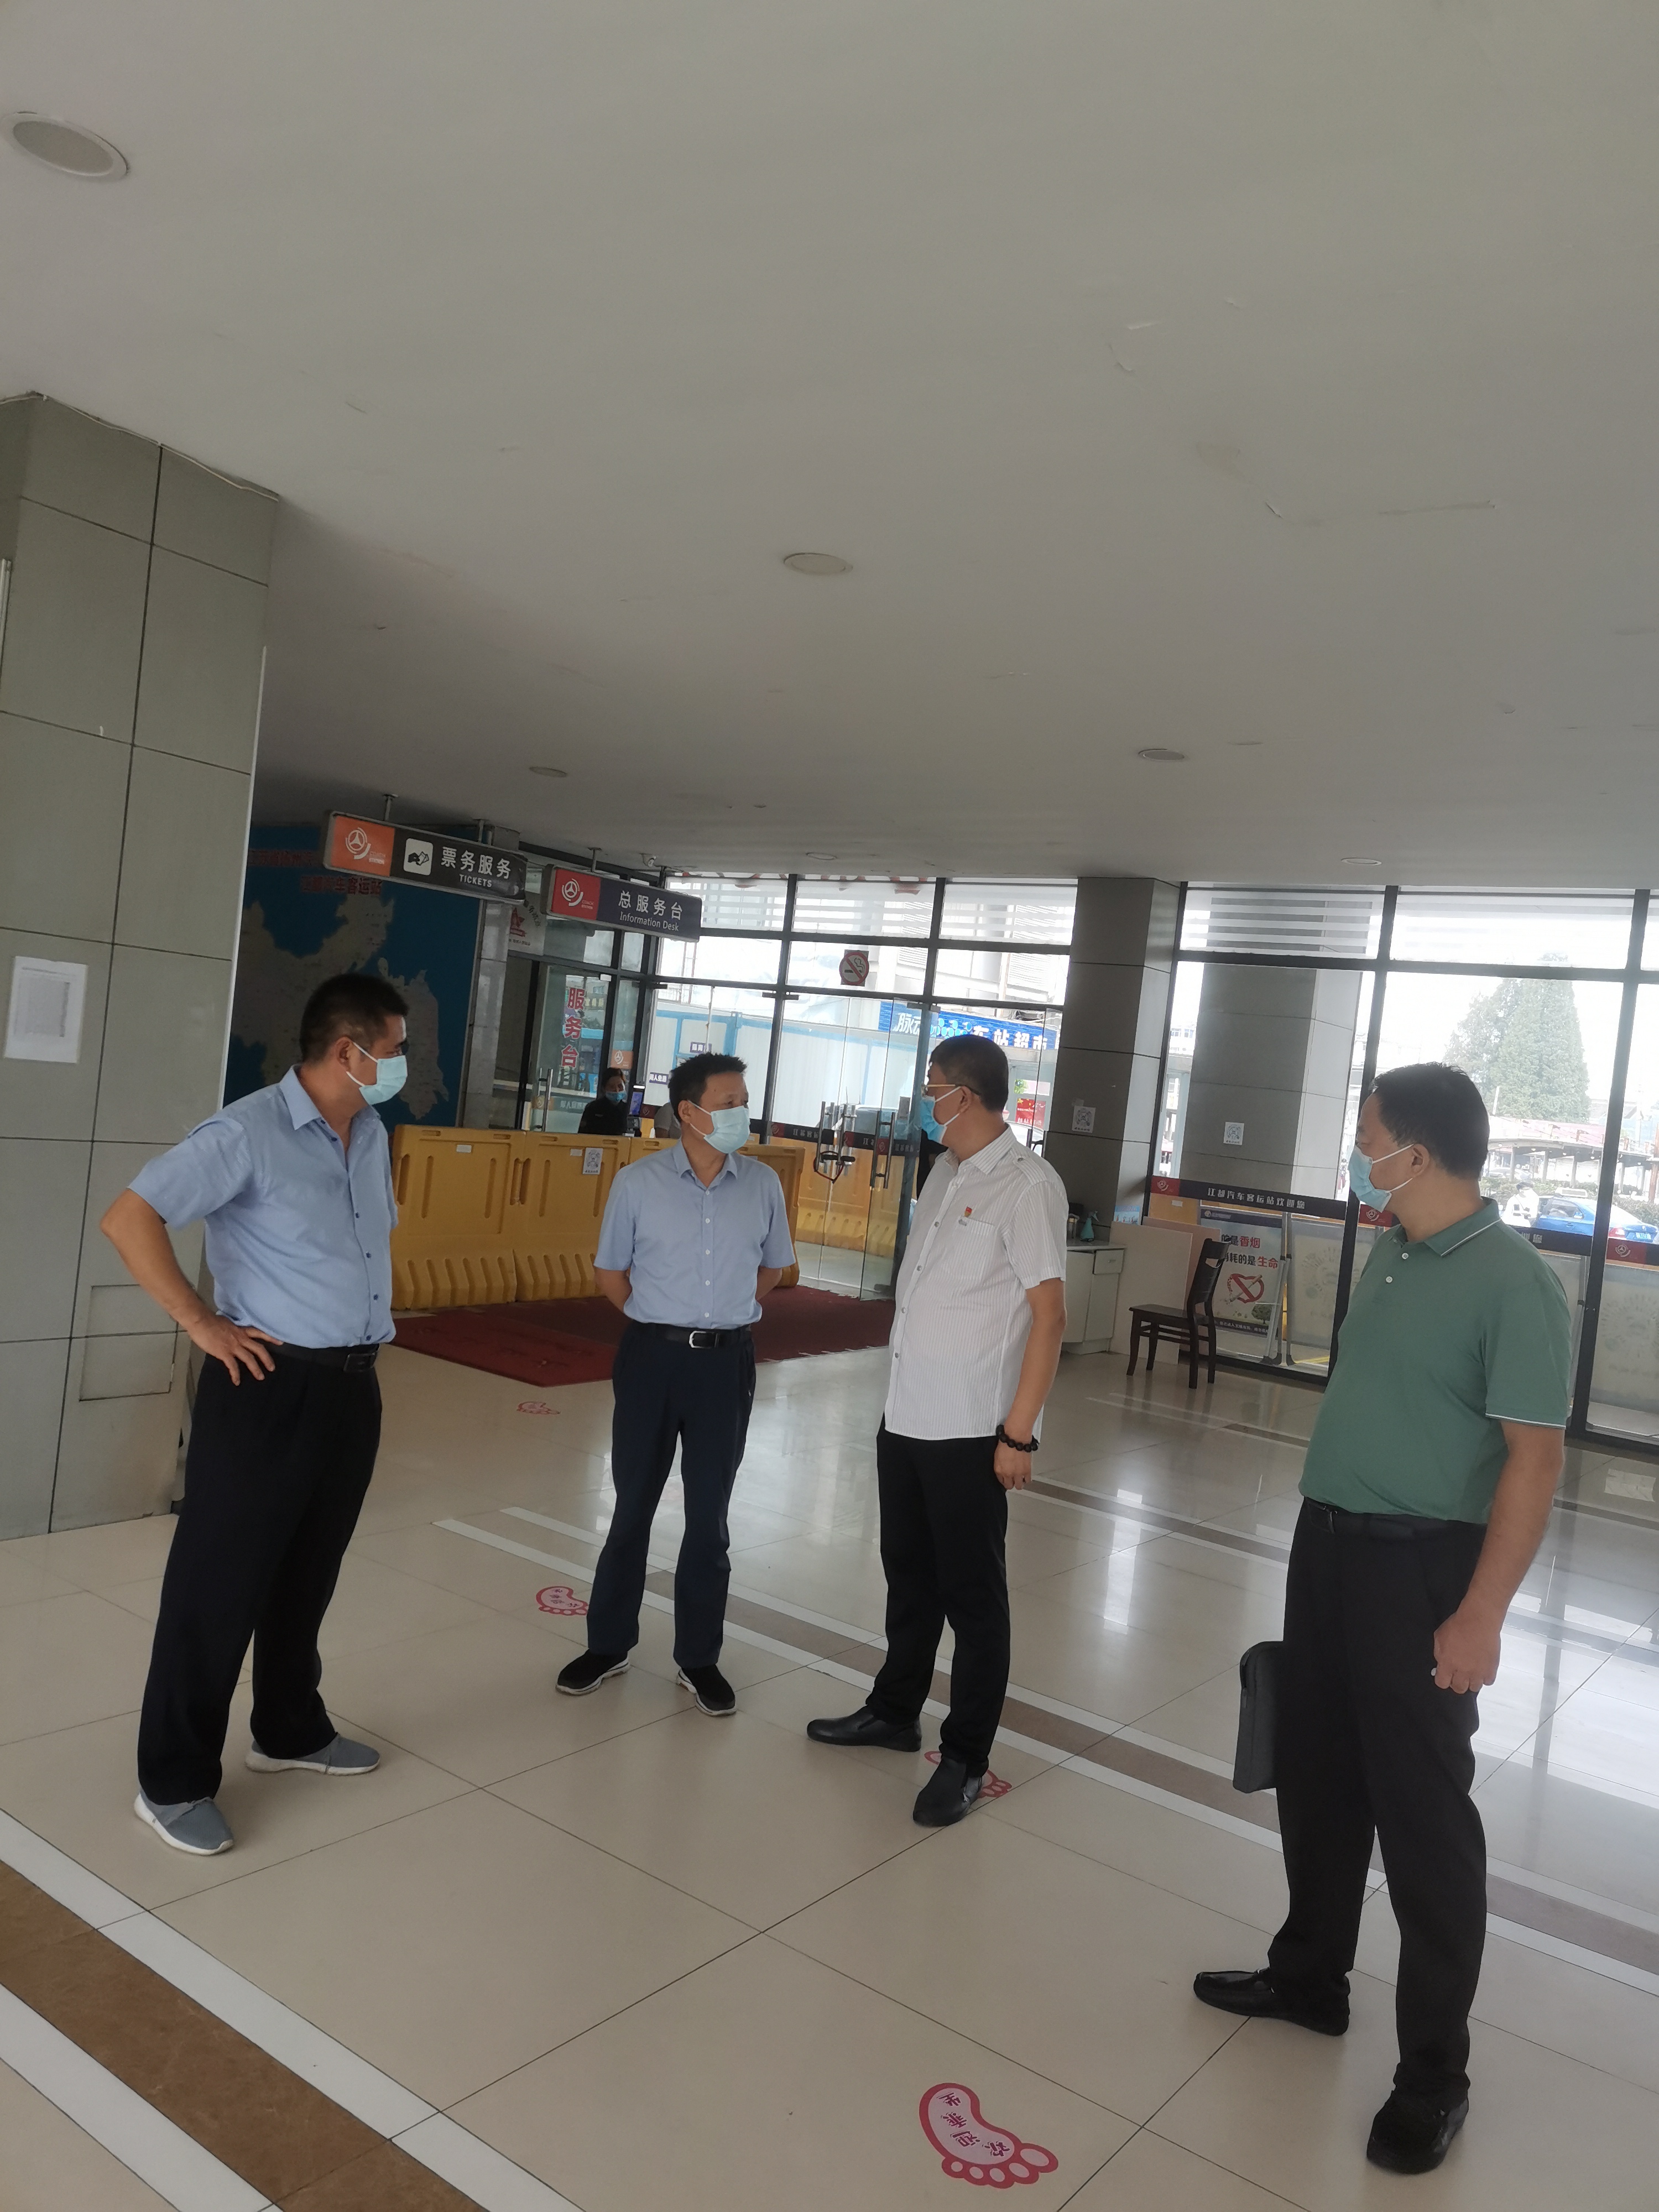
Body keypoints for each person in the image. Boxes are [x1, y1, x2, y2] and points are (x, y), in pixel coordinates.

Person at [1194, 1063, 1571, 2178]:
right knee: (1317, 1773)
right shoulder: (1394, 1249)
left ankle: (1433, 2075)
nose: (1360, 1155)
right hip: (1329, 1549)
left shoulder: (1516, 1282)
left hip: (1423, 1568)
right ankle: (1311, 1976)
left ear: (1419, 1150)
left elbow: (1535, 1460)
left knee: (1422, 1818)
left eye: (1369, 1138)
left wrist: (1481, 1614)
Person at [100, 973, 409, 1856]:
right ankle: (171, 1781)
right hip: (267, 1385)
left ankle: (289, 1729)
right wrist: (202, 1323)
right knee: (217, 1586)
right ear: (347, 1051)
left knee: (307, 1573)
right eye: (394, 1049)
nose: (402, 1064)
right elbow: (130, 1217)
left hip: (351, 1387)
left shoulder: (369, 1132)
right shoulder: (248, 1131)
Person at [806, 1035, 1067, 1826]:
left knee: (973, 1600)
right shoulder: (946, 1171)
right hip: (907, 1415)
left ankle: (965, 1758)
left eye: (934, 1089)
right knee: (909, 1577)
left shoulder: (1028, 1186)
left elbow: (1050, 1317)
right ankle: (895, 1711)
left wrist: (1018, 1434)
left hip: (969, 1429)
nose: (926, 1101)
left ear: (969, 1095)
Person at [556, 1052, 794, 1715]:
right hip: (652, 1361)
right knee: (631, 1507)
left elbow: (773, 1268)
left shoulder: (762, 1185)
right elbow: (611, 1273)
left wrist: (721, 1314)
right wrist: (661, 1317)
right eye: (728, 1102)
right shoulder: (639, 1183)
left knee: (709, 1518)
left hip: (726, 1365)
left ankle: (698, 1657)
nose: (741, 1112)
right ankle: (608, 1644)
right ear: (689, 1111)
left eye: (744, 1100)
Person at [578, 1067, 632, 1136]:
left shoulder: (629, 1110)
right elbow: (582, 1136)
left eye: (620, 1086)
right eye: (612, 1087)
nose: (617, 1090)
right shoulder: (593, 1108)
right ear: (604, 1089)